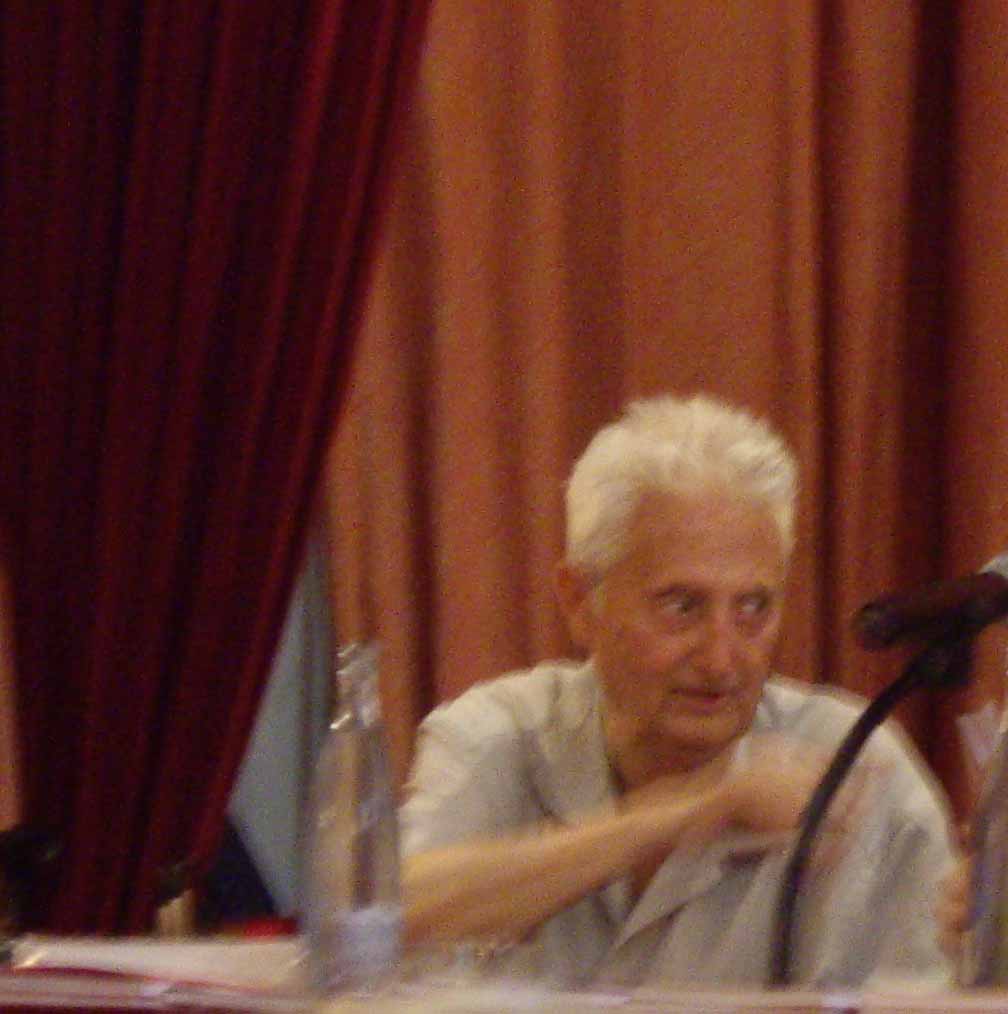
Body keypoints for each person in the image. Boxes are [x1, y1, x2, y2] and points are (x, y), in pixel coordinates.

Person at [399, 393, 955, 990]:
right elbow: (388, 917)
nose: (721, 659)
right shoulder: (498, 735)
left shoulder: (855, 765)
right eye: (682, 606)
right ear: (580, 601)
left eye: (753, 608)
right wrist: (686, 811)